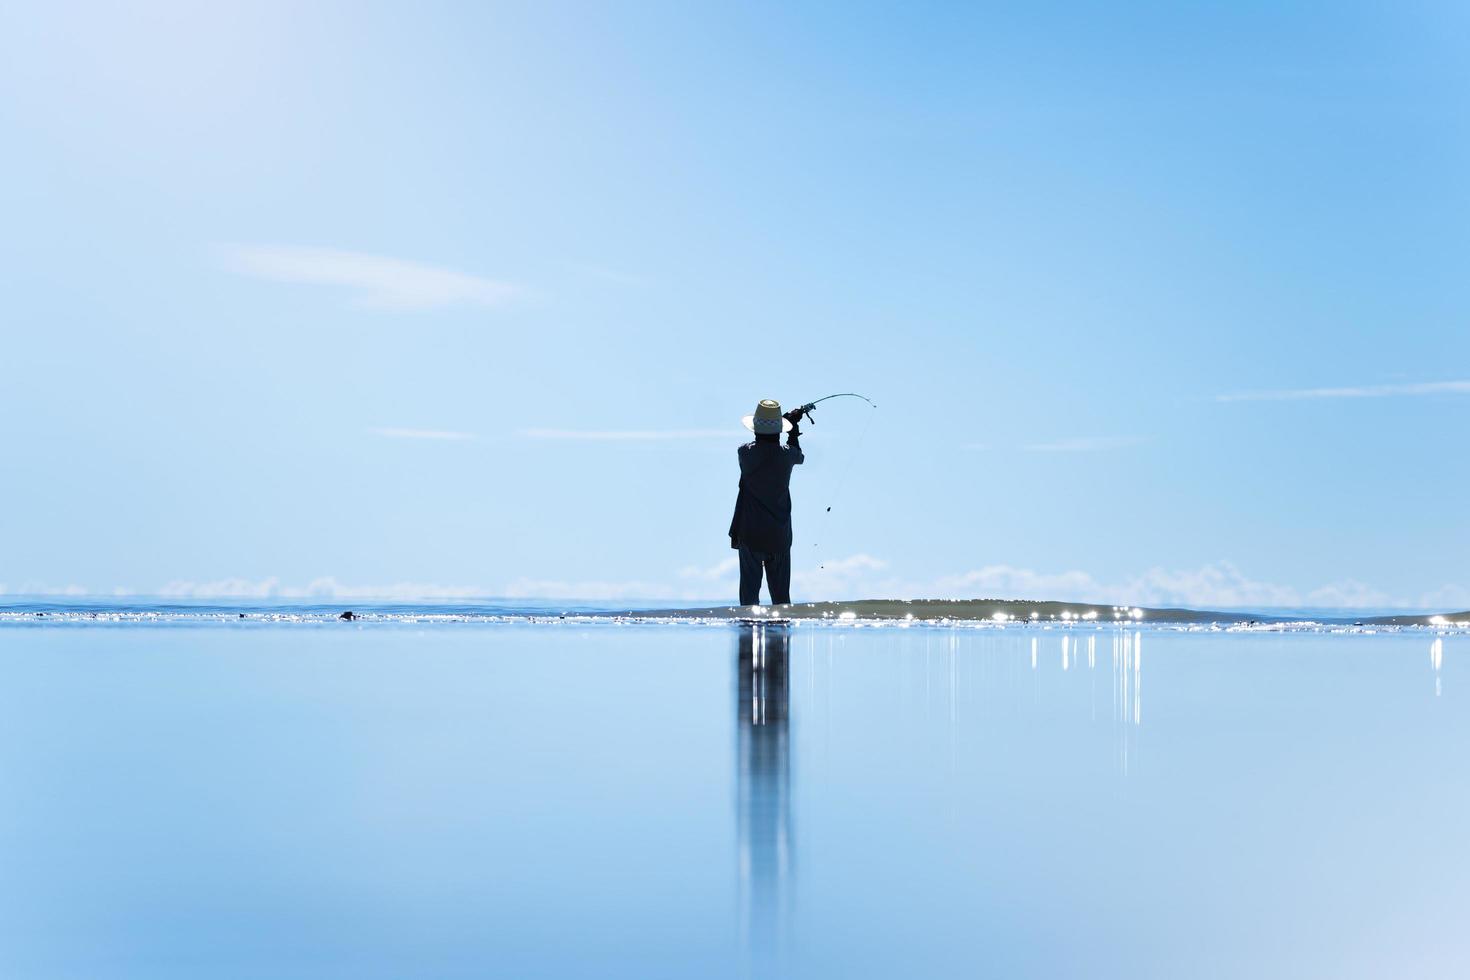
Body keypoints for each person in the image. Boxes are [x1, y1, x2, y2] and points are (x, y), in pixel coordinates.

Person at [728, 399, 807, 606]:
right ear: (779, 430)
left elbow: (761, 448)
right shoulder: (788, 455)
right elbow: (799, 456)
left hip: (750, 533)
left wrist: (786, 425)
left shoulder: (744, 453)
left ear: (755, 429)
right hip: (779, 536)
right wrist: (793, 429)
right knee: (781, 602)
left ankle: (747, 635)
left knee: (748, 601)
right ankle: (780, 637)